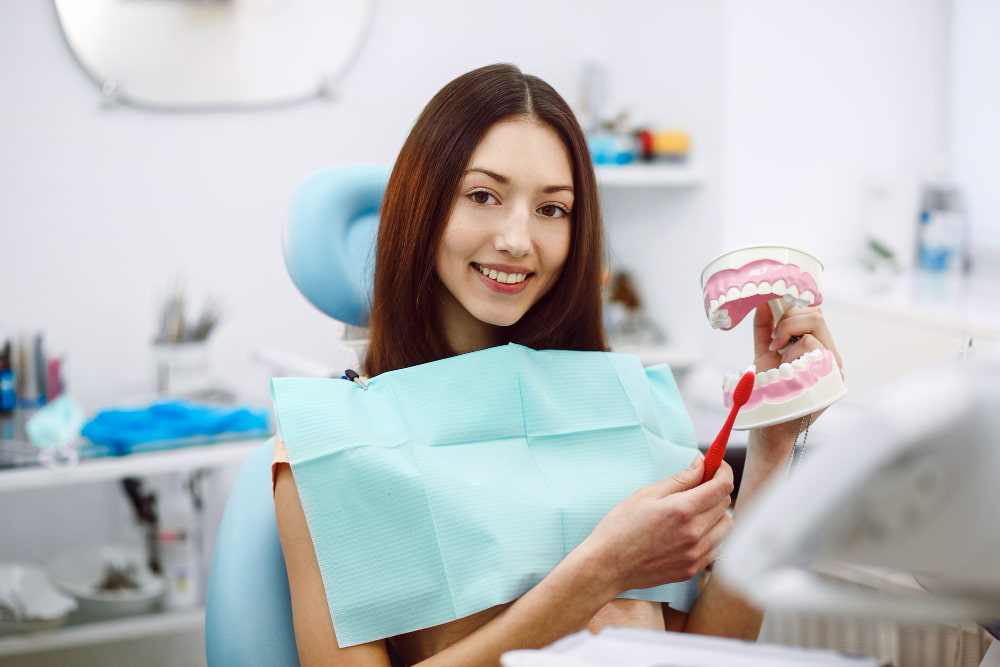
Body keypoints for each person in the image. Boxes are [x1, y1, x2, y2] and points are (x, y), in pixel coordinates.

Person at [272, 63, 844, 666]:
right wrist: (600, 571)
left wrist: (775, 444)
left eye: (553, 209)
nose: (518, 240)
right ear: (422, 208)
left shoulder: (631, 410)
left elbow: (704, 653)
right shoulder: (330, 448)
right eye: (482, 196)